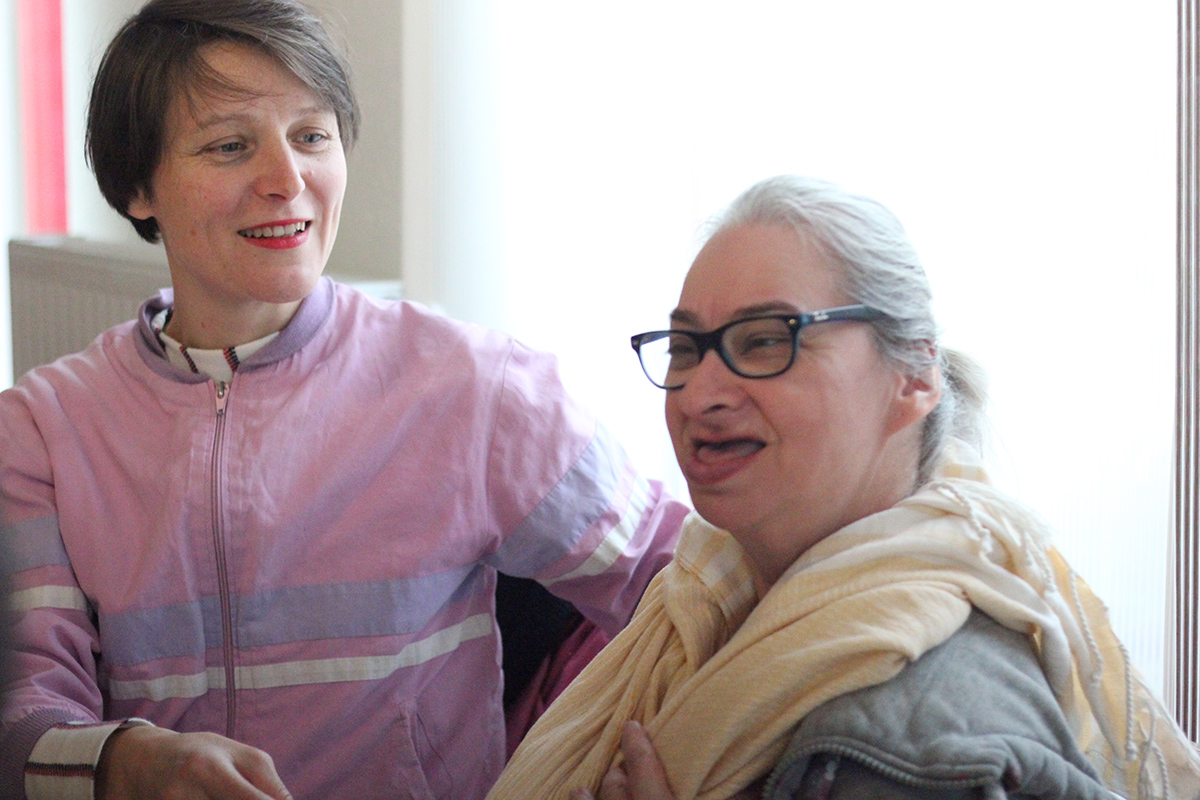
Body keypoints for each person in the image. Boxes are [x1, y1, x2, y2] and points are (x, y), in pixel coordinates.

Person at [0, 2, 687, 799]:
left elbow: (687, 587)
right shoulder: (43, 430)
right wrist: (125, 763)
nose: (287, 180)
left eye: (311, 136)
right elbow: (23, 713)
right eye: (230, 146)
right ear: (137, 186)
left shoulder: (473, 386)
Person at [488, 175, 1200, 800]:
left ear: (914, 375)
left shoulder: (913, 734)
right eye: (684, 348)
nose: (700, 394)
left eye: (766, 340)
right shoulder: (697, 608)